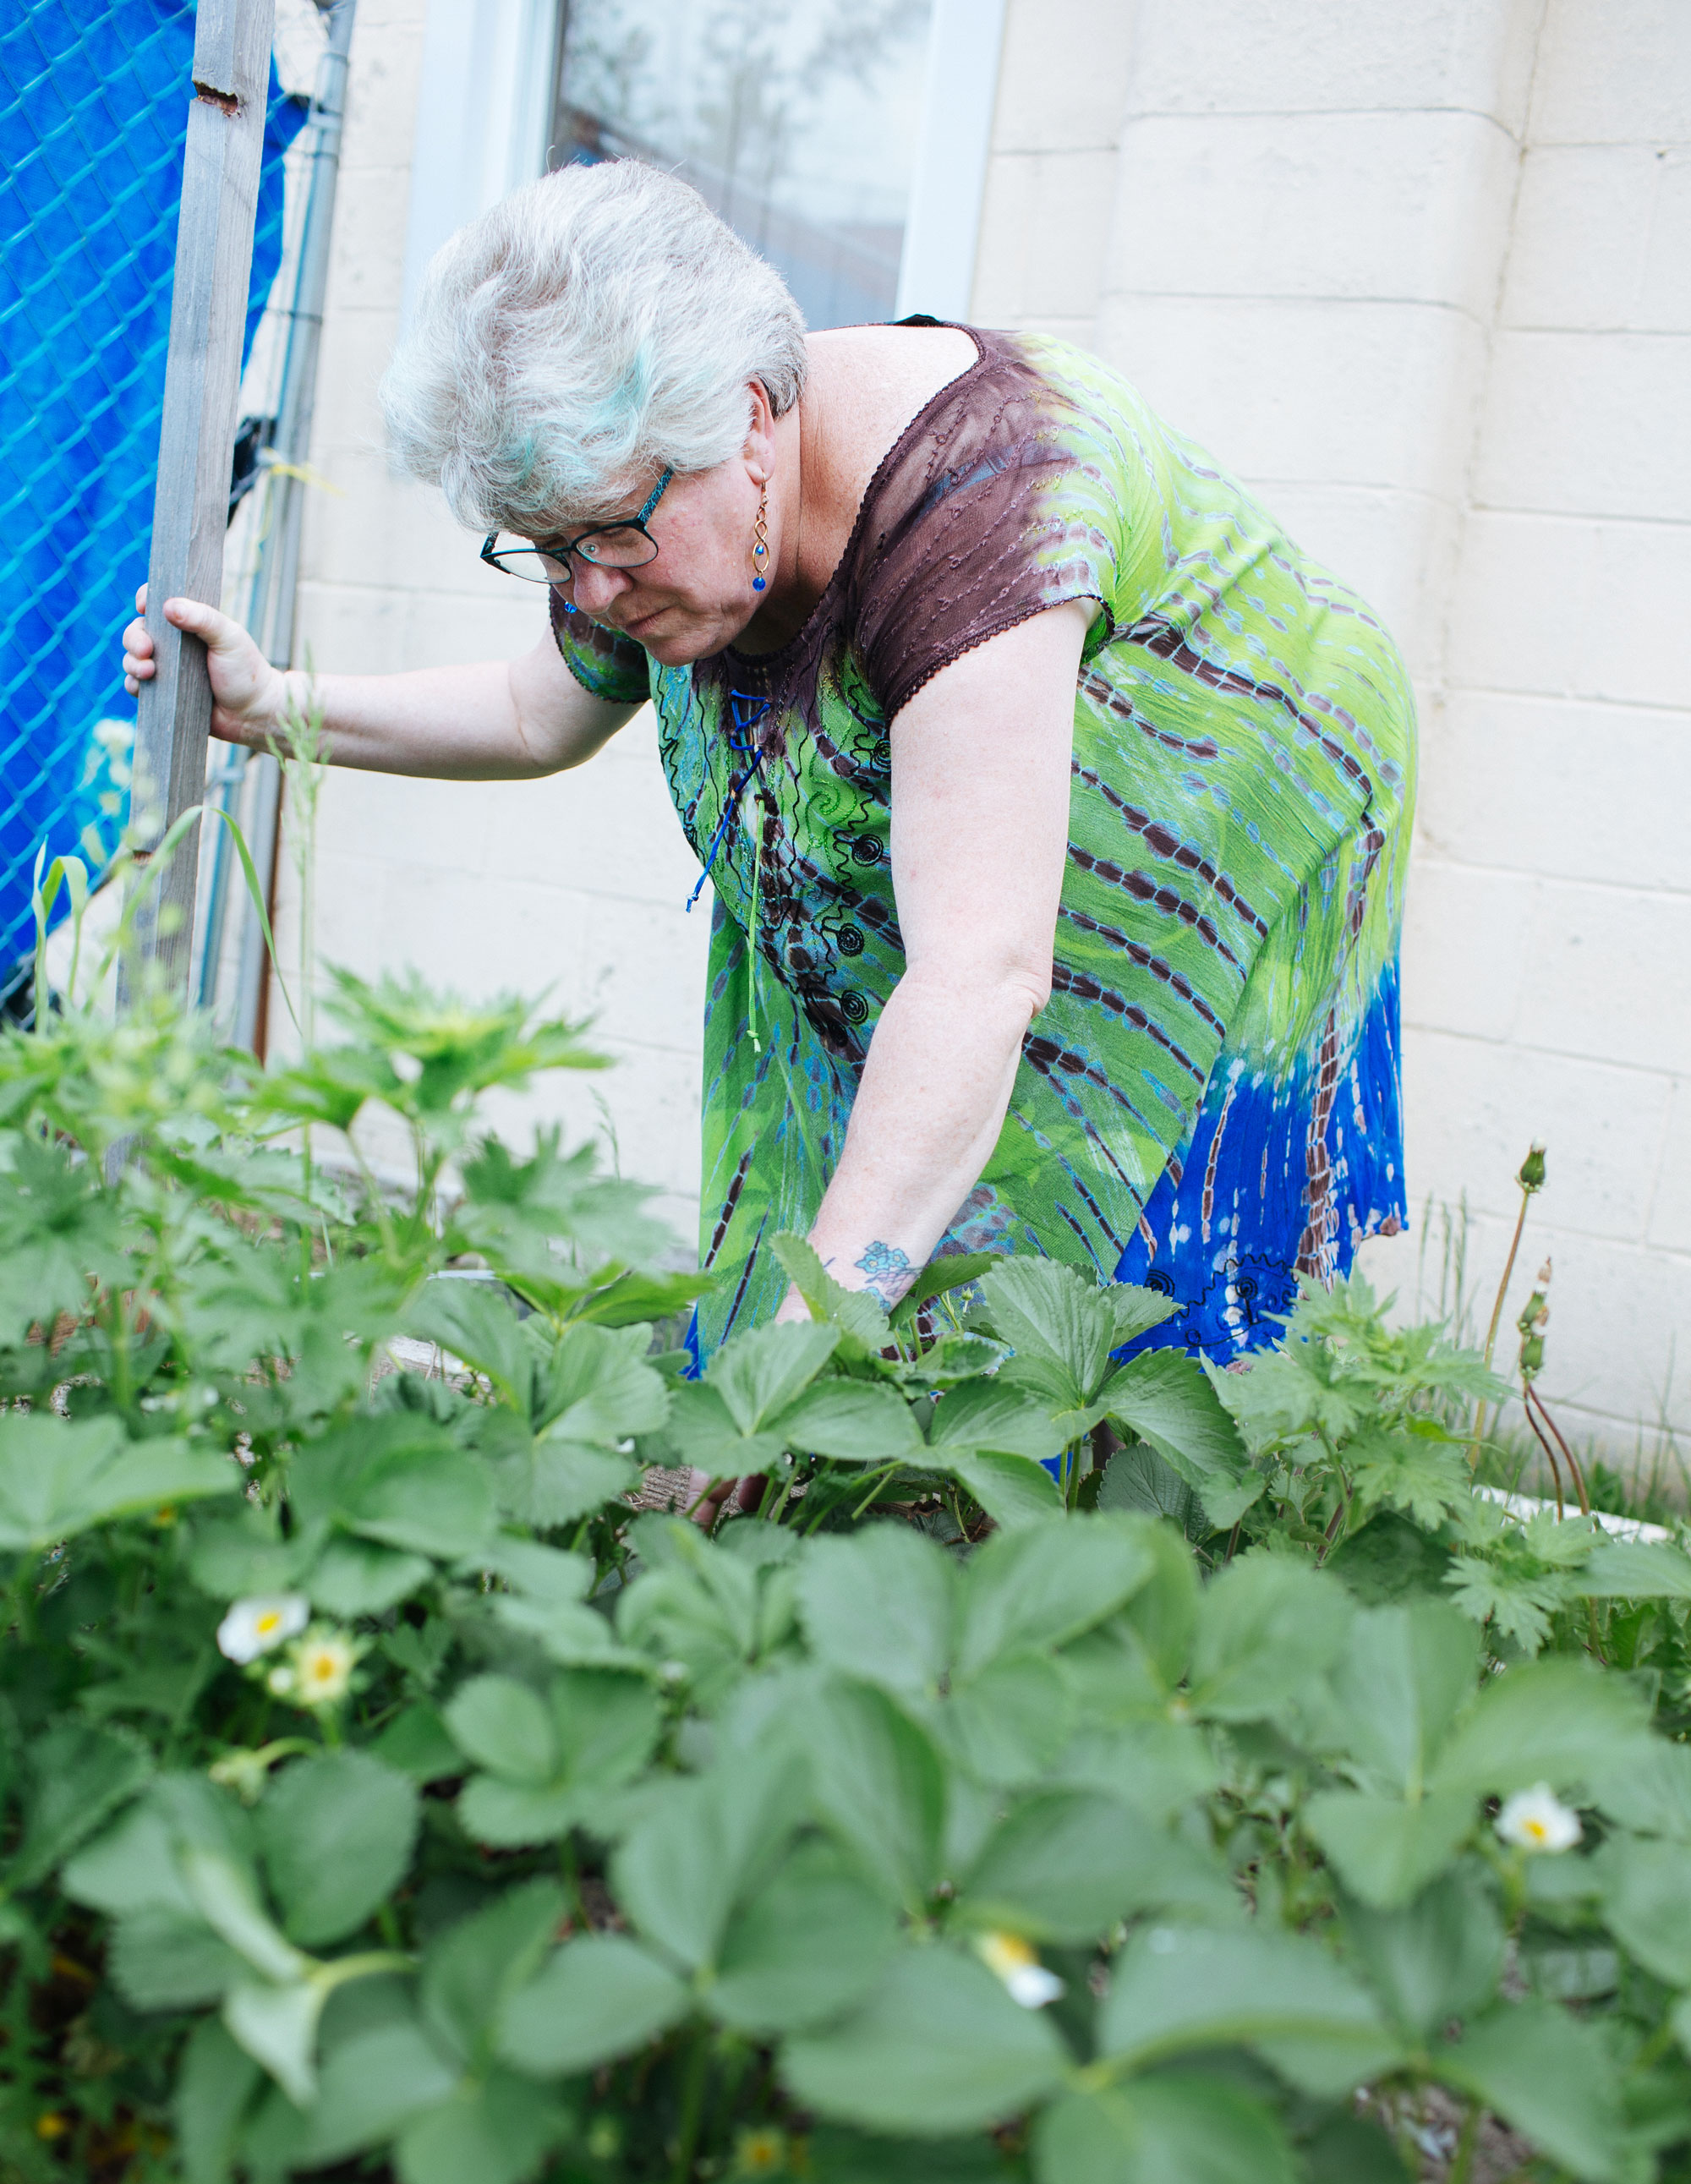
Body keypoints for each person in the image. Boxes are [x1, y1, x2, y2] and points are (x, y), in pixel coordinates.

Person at [123, 158, 1415, 1371]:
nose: (590, 589)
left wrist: (799, 1365)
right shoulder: (647, 503)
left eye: (615, 538)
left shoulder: (981, 511)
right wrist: (272, 705)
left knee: (1098, 1238)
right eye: (548, 548)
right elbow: (536, 717)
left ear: (749, 415)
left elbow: (976, 976)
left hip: (1228, 780)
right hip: (1000, 817)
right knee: (883, 1199)